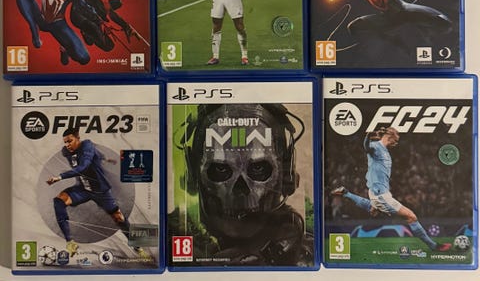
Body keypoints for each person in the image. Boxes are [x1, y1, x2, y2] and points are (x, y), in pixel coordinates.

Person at [170, 104, 313, 266]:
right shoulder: (167, 242)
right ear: (193, 175)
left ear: (286, 175)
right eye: (220, 169)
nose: (240, 191)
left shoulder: (309, 252)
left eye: (258, 168)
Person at [331, 126, 451, 251]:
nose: (396, 143)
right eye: (396, 140)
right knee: (411, 217)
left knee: (373, 208)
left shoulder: (385, 151)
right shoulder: (376, 146)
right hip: (380, 194)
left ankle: (346, 193)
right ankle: (433, 246)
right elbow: (367, 147)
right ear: (390, 136)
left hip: (381, 192)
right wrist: (367, 136)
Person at [46, 128, 146, 258]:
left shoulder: (87, 145)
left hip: (100, 190)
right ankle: (70, 242)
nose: (67, 145)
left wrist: (60, 177)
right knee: (59, 200)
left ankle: (137, 246)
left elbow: (83, 167)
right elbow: (95, 154)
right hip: (83, 189)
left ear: (78, 138)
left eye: (70, 141)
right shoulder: (66, 152)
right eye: (65, 142)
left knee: (118, 217)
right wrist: (104, 158)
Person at [15, 0, 90, 66]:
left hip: (58, 23)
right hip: (42, 19)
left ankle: (64, 51)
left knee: (84, 58)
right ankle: (34, 28)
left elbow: (84, 6)